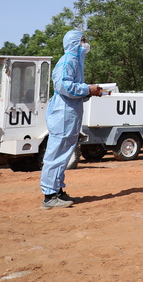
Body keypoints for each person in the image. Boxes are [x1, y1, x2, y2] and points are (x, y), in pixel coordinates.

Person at [40, 30, 104, 209]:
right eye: (83, 40)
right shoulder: (68, 61)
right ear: (75, 42)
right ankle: (49, 196)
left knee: (63, 155)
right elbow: (63, 86)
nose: (85, 44)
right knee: (56, 155)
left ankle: (58, 190)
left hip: (69, 115)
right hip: (63, 115)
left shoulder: (75, 61)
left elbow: (72, 89)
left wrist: (90, 92)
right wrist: (87, 89)